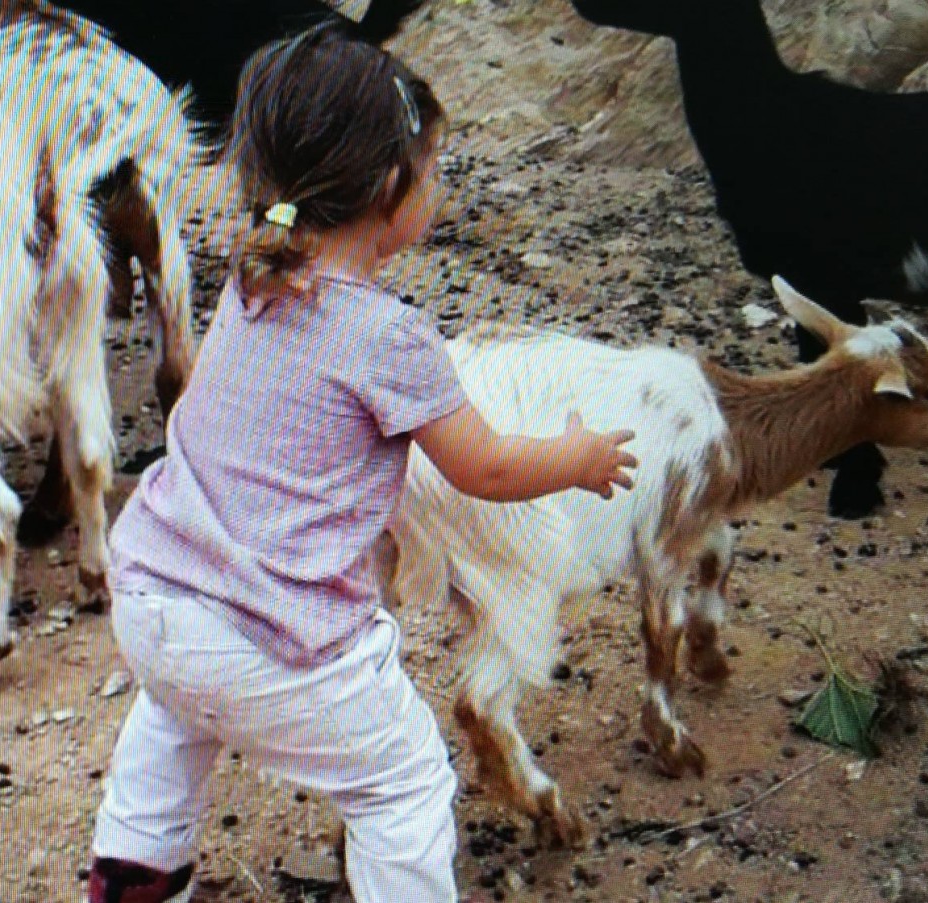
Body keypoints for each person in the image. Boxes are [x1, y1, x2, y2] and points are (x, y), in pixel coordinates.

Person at [84, 22, 638, 903]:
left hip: (154, 598)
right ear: (391, 187)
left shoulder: (254, 275)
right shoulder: (393, 337)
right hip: (276, 640)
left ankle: (133, 882)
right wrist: (576, 457)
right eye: (435, 166)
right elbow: (485, 468)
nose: (442, 183)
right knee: (404, 784)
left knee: (173, 725)